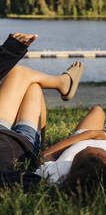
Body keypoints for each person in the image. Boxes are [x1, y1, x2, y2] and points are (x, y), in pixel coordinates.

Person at [0, 42, 84, 185]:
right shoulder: (7, 179)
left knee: (23, 75)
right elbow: (33, 181)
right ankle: (63, 83)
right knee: (33, 84)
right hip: (23, 143)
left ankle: (63, 83)